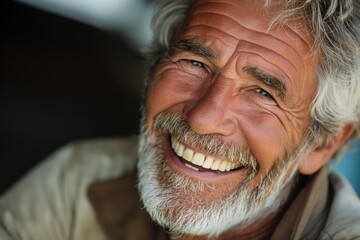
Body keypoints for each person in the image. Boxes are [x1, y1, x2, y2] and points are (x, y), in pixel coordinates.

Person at [1, 0, 360, 239]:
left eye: (264, 94)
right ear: (155, 64)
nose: (204, 118)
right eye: (195, 63)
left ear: (323, 143)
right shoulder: (77, 182)